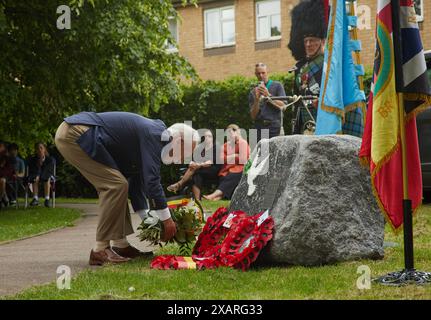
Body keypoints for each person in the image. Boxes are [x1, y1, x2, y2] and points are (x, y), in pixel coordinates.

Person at [55, 111, 200, 266]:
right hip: (76, 133)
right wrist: (167, 220)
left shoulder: (153, 136)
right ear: (179, 140)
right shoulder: (156, 134)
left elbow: (136, 185)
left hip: (77, 132)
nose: (182, 158)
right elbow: (152, 181)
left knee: (120, 184)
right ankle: (100, 249)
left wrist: (151, 222)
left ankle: (121, 245)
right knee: (115, 186)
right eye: (185, 152)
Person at [288, 0, 326, 135]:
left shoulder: (329, 64)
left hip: (323, 122)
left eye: (313, 40)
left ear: (322, 41)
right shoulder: (300, 68)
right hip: (304, 123)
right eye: (306, 41)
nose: (308, 44)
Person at [167, 129, 222, 200]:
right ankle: (197, 200)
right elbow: (193, 160)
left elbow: (210, 162)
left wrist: (199, 165)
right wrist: (192, 163)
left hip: (213, 170)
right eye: (205, 136)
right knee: (196, 175)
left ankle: (179, 184)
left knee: (195, 171)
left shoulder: (216, 147)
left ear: (213, 137)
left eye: (209, 136)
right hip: (199, 170)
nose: (207, 138)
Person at [204, 124, 250, 201]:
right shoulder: (225, 145)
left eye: (231, 133)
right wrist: (235, 156)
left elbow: (243, 159)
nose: (230, 135)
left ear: (237, 132)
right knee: (226, 177)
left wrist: (230, 158)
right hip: (226, 170)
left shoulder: (242, 143)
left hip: (239, 169)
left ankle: (213, 195)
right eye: (228, 133)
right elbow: (221, 159)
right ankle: (219, 197)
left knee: (234, 176)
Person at [249, 63, 287, 142]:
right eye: (258, 73)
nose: (261, 75)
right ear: (255, 74)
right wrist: (256, 100)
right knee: (262, 153)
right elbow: (253, 116)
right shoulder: (253, 92)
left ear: (267, 72)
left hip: (274, 127)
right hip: (259, 128)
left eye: (263, 73)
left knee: (275, 153)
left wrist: (268, 95)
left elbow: (283, 106)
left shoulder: (277, 85)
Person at [27, 142, 55, 208]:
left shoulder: (49, 160)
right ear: (36, 150)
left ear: (44, 149)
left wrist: (41, 176)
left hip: (47, 175)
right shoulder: (33, 160)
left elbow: (48, 171)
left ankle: (47, 199)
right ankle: (35, 198)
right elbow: (32, 170)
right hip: (36, 175)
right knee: (35, 179)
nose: (39, 150)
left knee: (47, 179)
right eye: (38, 148)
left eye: (41, 148)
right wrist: (37, 175)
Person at [0, 141, 15, 208]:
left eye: (1, 147)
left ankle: (1, 199)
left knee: (2, 180)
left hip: (8, 177)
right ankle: (4, 195)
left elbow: (9, 171)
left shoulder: (9, 158)